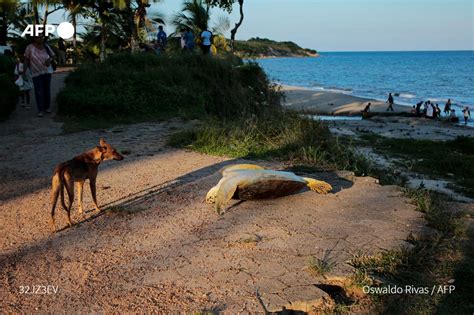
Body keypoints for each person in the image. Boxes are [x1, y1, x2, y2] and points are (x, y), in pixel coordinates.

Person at [24, 36, 55, 117]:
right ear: (34, 38)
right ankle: (40, 110)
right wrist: (23, 71)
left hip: (47, 72)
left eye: (42, 37)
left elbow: (53, 56)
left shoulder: (46, 46)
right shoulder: (29, 47)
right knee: (38, 91)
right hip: (35, 73)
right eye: (38, 37)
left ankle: (47, 107)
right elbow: (26, 59)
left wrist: (49, 60)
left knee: (46, 90)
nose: (41, 39)